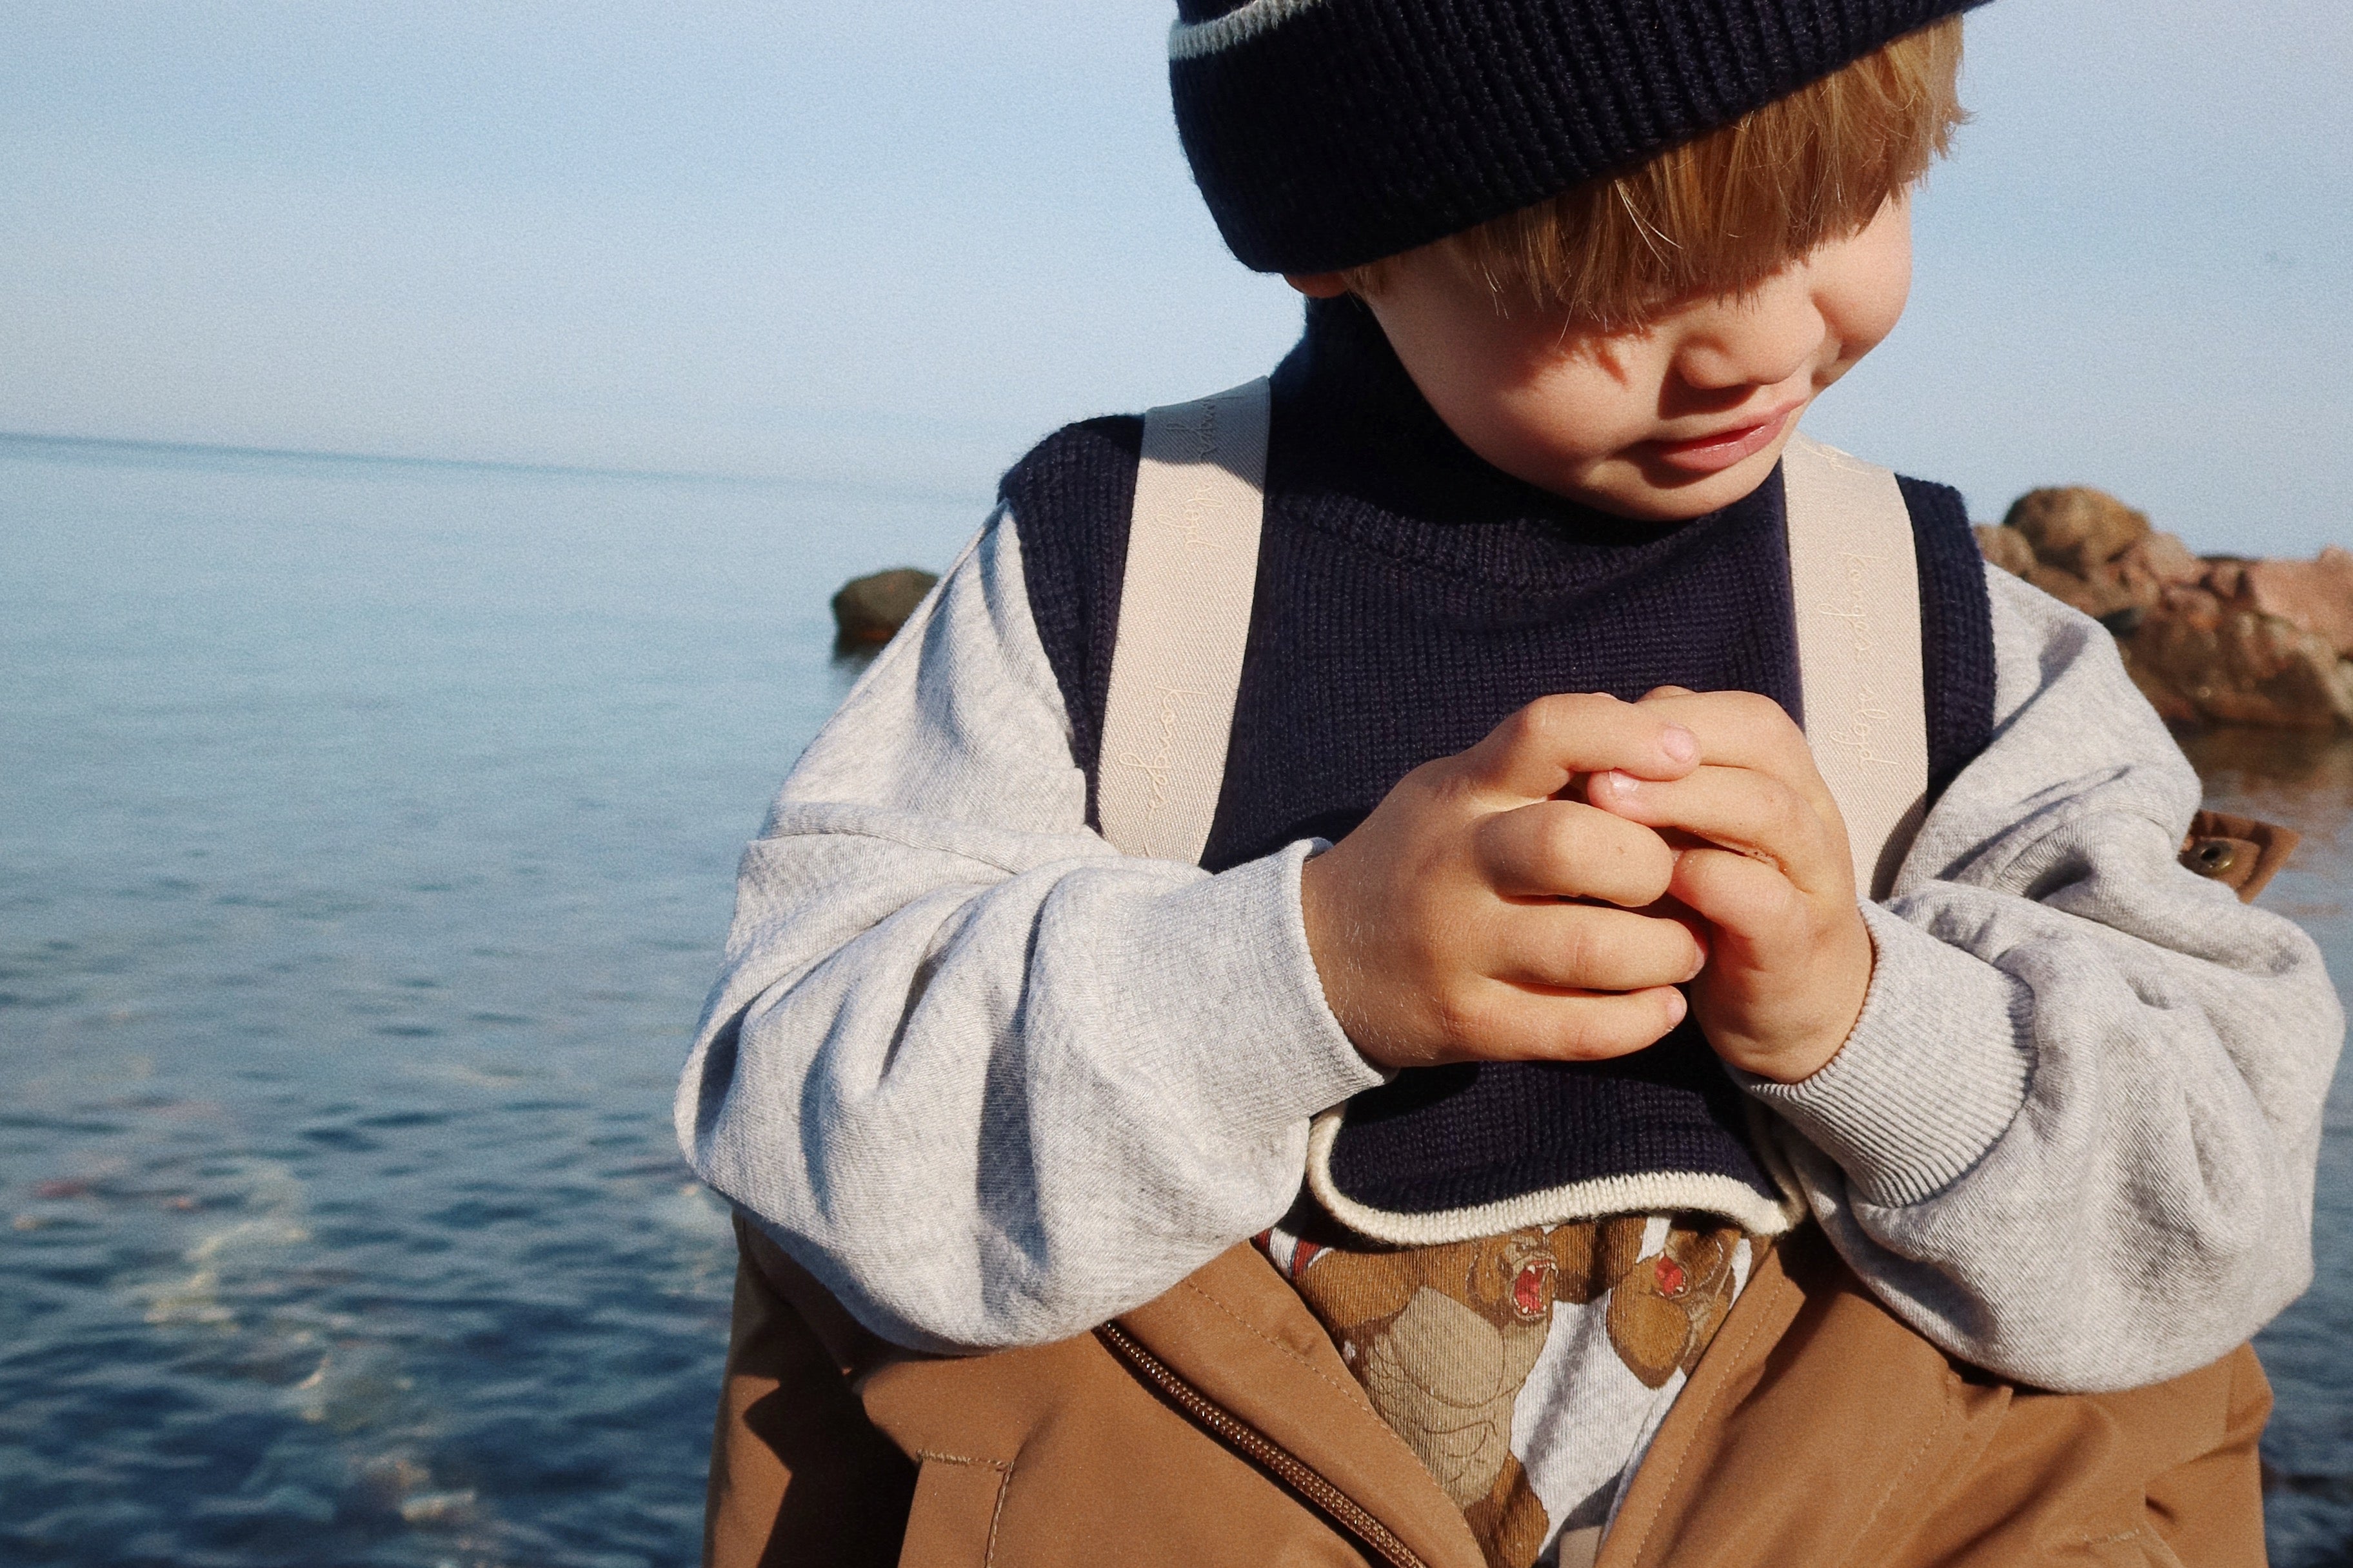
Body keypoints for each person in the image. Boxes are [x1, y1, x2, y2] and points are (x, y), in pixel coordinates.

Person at [677, 4, 2343, 1565]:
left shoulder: (1965, 649)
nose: (1762, 341)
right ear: (1341, 239)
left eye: (1852, 199)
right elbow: (810, 1113)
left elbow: (2208, 1221)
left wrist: (1871, 1022)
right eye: (1627, 270)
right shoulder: (1102, 581)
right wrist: (1304, 967)